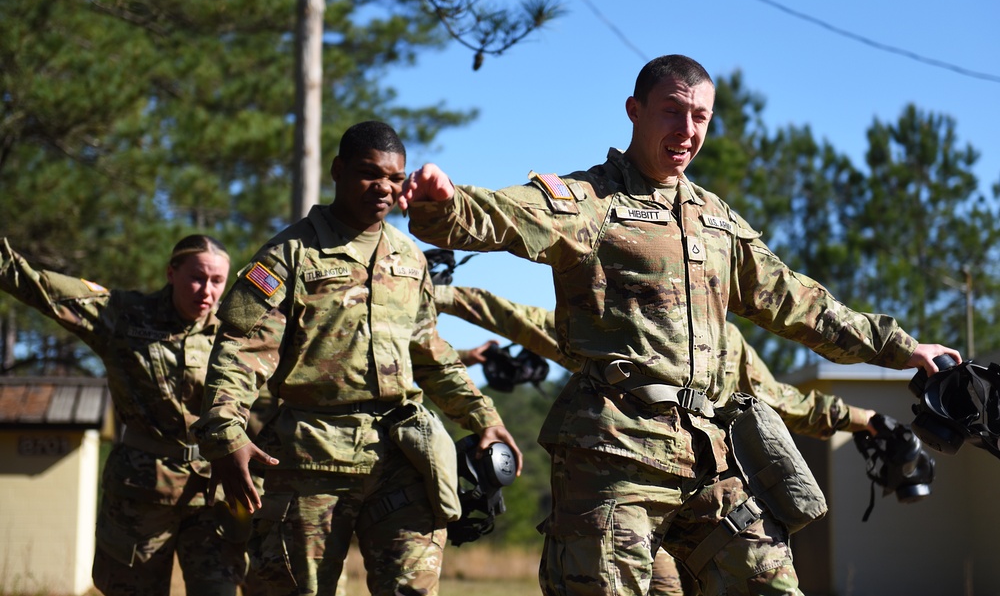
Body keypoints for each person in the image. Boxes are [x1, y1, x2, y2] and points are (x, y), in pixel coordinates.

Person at [398, 54, 960, 596]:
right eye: (672, 110)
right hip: (616, 456)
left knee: (771, 585)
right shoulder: (590, 202)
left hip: (710, 456)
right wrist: (441, 206)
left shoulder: (717, 221)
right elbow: (502, 216)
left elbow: (798, 302)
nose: (687, 129)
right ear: (634, 110)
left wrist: (902, 349)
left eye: (701, 117)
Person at [192, 120, 522, 596]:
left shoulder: (410, 258)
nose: (384, 188)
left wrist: (483, 417)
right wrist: (225, 430)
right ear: (338, 170)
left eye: (395, 178)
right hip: (312, 461)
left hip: (402, 457)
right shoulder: (290, 255)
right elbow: (242, 349)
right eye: (370, 174)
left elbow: (430, 353)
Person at [435, 283, 883, 595]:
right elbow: (512, 315)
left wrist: (865, 420)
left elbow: (783, 401)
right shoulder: (619, 332)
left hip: (713, 497)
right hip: (634, 497)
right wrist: (435, 293)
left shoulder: (727, 342)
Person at [0, 234, 247, 596]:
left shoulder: (236, 333)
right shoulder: (124, 314)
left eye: (217, 281)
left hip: (214, 494)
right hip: (141, 494)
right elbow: (40, 287)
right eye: (197, 277)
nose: (206, 290)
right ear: (171, 273)